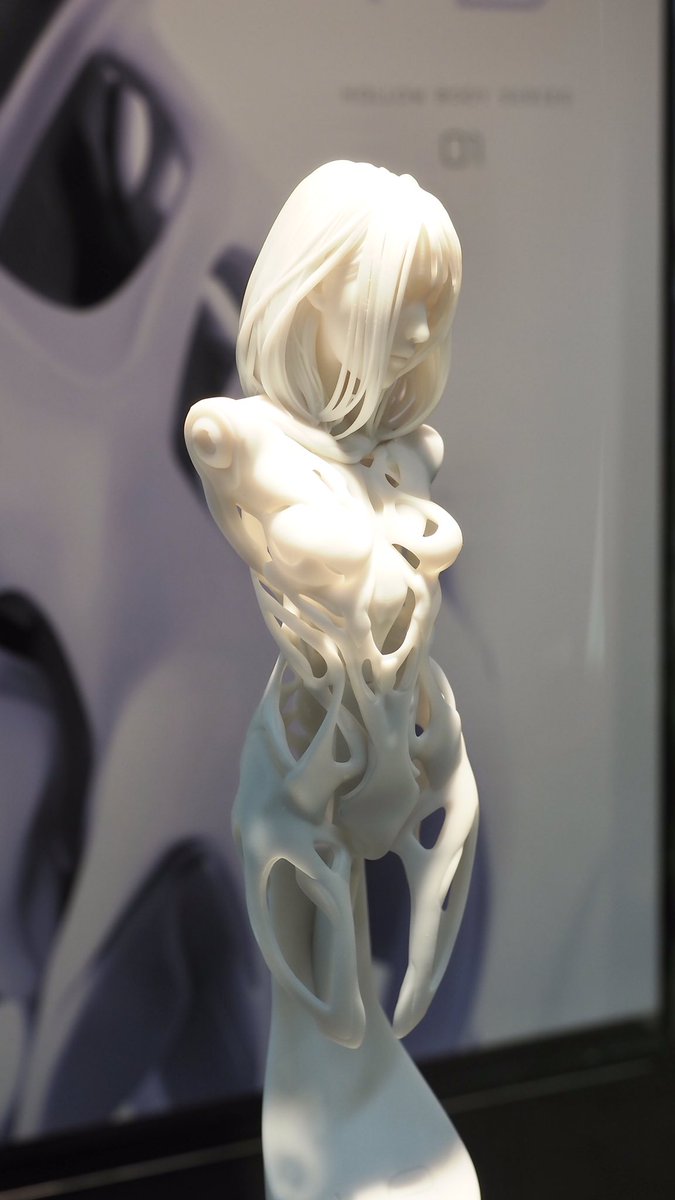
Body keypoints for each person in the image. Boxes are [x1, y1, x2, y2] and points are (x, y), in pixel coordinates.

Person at [185, 160, 480, 1200]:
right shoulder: (237, 437)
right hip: (303, 756)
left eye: (430, 308)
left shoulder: (407, 453)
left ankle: (371, 1142)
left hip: (412, 734)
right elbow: (312, 551)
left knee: (373, 974)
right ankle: (333, 1155)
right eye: (398, 300)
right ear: (317, 284)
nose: (416, 333)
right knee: (322, 1000)